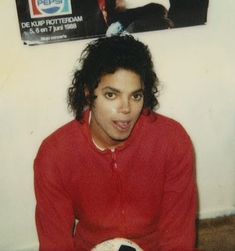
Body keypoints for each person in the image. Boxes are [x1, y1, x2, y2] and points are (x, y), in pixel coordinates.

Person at [34, 35, 198, 251]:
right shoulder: (55, 154)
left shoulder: (172, 140)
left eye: (136, 96)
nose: (126, 109)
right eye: (111, 95)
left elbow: (178, 238)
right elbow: (56, 244)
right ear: (88, 93)